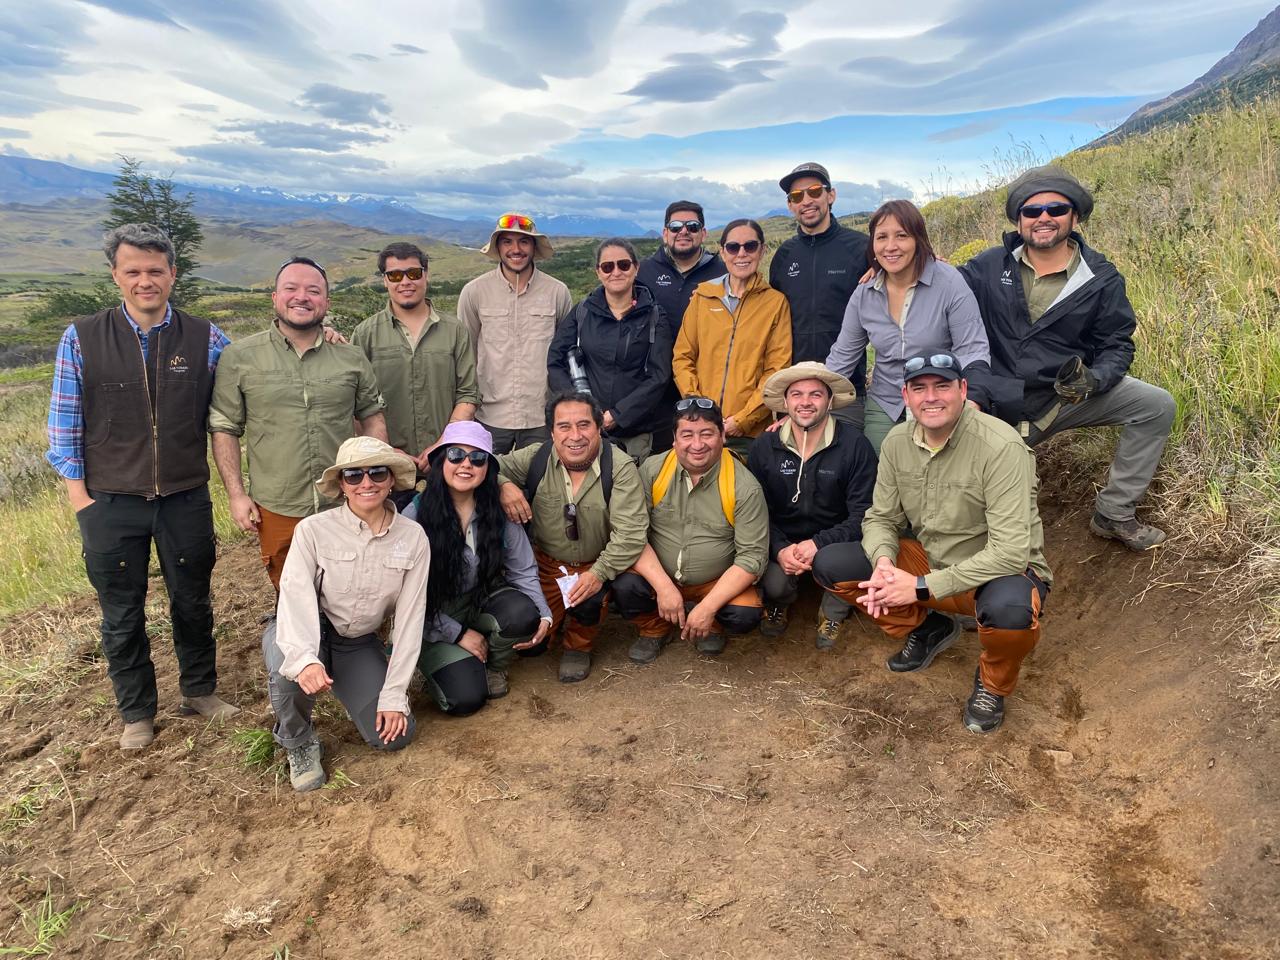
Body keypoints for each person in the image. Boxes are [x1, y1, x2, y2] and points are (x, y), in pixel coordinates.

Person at [45, 223, 239, 751]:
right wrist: (80, 499)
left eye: (155, 270)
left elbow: (254, 375)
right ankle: (136, 712)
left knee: (193, 599)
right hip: (109, 501)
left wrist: (321, 338)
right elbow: (64, 425)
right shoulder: (82, 337)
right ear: (116, 276)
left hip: (184, 496)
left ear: (172, 274)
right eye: (133, 271)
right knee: (121, 612)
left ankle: (199, 690)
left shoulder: (206, 337)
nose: (145, 281)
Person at [959, 165, 1175, 550]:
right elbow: (938, 293)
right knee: (981, 513)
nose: (1044, 217)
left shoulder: (1101, 277)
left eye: (1056, 209)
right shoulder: (987, 267)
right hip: (991, 404)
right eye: (1031, 210)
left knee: (1156, 405)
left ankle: (1114, 512)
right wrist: (886, 265)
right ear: (1018, 219)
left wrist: (1096, 378)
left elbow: (1117, 342)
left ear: (1074, 217)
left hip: (1060, 400)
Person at [857, 353, 1052, 734]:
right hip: (931, 568)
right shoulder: (897, 441)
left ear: (963, 390)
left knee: (1011, 611)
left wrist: (917, 586)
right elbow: (880, 518)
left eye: (942, 386)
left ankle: (992, 684)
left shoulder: (1000, 446)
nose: (931, 398)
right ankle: (928, 628)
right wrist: (883, 563)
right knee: (841, 566)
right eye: (920, 389)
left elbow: (1011, 552)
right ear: (906, 396)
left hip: (995, 576)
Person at [209, 256, 387, 590]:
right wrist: (236, 494)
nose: (301, 297)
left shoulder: (351, 356)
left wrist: (374, 479)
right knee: (291, 591)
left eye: (313, 291)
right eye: (291, 288)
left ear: (327, 302)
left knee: (354, 590)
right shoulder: (240, 357)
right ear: (275, 297)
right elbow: (225, 428)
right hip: (278, 503)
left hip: (345, 500)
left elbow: (371, 416)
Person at [266, 437, 427, 792]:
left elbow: (410, 620)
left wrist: (394, 694)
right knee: (287, 674)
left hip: (356, 641)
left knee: (394, 737)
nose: (366, 483)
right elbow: (294, 597)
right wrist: (305, 658)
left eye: (376, 473)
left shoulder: (413, 538)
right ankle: (299, 739)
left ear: (391, 480)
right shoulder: (312, 530)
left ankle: (352, 683)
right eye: (354, 475)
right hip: (305, 628)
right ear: (342, 484)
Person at [495, 391, 648, 682]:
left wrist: (598, 574)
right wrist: (503, 485)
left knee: (591, 597)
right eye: (564, 427)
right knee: (531, 644)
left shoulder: (620, 467)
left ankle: (579, 646)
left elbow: (630, 535)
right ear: (551, 432)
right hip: (547, 565)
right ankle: (555, 623)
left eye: (584, 425)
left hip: (598, 562)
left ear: (599, 427)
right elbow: (487, 465)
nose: (574, 436)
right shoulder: (537, 457)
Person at [402, 421, 552, 711]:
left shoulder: (498, 509)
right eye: (456, 455)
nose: (466, 464)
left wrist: (543, 613)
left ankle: (493, 664)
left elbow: (522, 569)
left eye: (478, 458)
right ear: (440, 461)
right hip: (431, 616)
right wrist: (457, 634)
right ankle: (435, 659)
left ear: (488, 470)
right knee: (465, 700)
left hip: (479, 600)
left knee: (523, 613)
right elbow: (404, 597)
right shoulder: (415, 516)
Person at [826, 199, 990, 453]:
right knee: (881, 470)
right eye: (881, 237)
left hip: (939, 395)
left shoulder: (948, 283)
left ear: (917, 239)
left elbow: (972, 348)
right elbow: (843, 356)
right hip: (887, 399)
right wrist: (810, 398)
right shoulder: (865, 294)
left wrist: (973, 400)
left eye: (901, 235)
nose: (890, 246)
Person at [613, 398, 768, 661]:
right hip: (660, 575)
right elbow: (631, 533)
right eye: (687, 434)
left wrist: (708, 606)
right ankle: (654, 628)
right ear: (674, 439)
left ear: (722, 436)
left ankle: (710, 623)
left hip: (713, 582)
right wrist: (664, 587)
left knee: (744, 612)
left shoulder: (744, 486)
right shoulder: (652, 470)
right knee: (624, 585)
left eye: (707, 434)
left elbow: (752, 557)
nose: (697, 445)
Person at [747, 363, 877, 649]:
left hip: (834, 544)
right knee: (773, 582)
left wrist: (818, 543)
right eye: (797, 394)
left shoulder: (855, 446)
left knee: (836, 562)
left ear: (830, 401)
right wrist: (779, 548)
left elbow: (865, 514)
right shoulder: (764, 447)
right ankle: (779, 602)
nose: (805, 402)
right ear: (786, 401)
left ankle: (834, 611)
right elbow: (754, 513)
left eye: (816, 395)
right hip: (782, 541)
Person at [352, 241, 479, 474]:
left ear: (425, 275)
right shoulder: (365, 334)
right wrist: (384, 449)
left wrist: (443, 443)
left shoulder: (455, 330)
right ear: (385, 280)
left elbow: (468, 394)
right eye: (395, 275)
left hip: (445, 461)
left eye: (413, 273)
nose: (405, 282)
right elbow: (355, 402)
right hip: (386, 465)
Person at [673, 218, 793, 456]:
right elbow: (683, 357)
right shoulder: (702, 298)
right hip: (701, 429)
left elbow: (776, 369)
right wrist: (700, 410)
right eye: (733, 247)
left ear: (762, 250)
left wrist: (743, 419)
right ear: (722, 252)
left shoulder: (775, 303)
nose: (741, 254)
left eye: (750, 246)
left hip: (749, 434)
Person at [548, 237, 674, 461]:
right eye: (607, 266)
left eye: (623, 265)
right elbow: (555, 360)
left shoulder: (654, 315)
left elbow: (659, 375)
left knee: (631, 493)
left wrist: (617, 415)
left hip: (635, 433)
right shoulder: (583, 311)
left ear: (636, 268)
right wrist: (579, 407)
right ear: (598, 272)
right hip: (585, 431)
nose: (616, 272)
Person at [457, 213, 574, 454]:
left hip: (540, 415)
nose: (516, 249)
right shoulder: (474, 292)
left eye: (523, 241)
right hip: (488, 414)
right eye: (507, 242)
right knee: (487, 481)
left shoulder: (558, 292)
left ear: (533, 247)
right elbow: (465, 354)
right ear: (498, 247)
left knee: (540, 485)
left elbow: (566, 353)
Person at [769, 162, 872, 430]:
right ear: (790, 205)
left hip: (846, 389)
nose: (806, 201)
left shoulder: (860, 248)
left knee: (847, 463)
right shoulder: (784, 256)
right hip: (795, 390)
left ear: (831, 195)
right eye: (796, 196)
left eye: (814, 191)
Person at [635, 201, 724, 334]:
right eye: (675, 227)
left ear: (703, 234)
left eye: (692, 226)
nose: (683, 231)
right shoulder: (642, 272)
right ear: (665, 234)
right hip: (656, 355)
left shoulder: (724, 273)